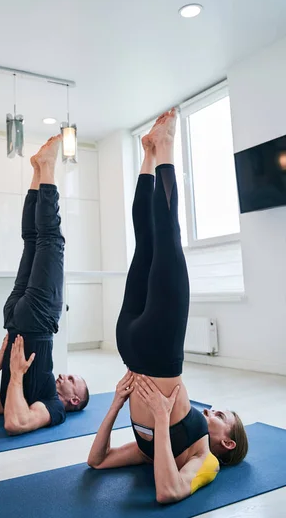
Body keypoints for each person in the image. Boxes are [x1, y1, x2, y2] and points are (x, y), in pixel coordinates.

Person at [88, 110, 248, 503]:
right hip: (136, 345)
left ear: (227, 443)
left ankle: (167, 145)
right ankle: (149, 153)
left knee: (166, 236)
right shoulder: (162, 452)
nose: (212, 412)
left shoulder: (206, 459)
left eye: (221, 417)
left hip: (151, 350)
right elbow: (104, 463)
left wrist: (120, 408)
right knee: (148, 240)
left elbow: (163, 490)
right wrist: (158, 425)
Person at [0, 135, 89, 434]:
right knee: (33, 241)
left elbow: (8, 421)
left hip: (36, 319)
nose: (67, 377)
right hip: (19, 318)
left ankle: (46, 167)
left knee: (51, 241)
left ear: (73, 401)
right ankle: (37, 173)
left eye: (74, 382)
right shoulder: (21, 397)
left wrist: (2, 369)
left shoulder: (53, 407)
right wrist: (8, 373)